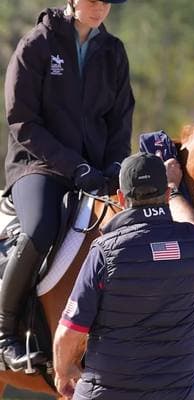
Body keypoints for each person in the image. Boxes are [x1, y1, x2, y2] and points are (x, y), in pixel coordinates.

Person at [1, 0, 134, 371]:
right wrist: (74, 166)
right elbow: (22, 122)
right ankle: (4, 333)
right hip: (38, 167)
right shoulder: (36, 45)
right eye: (92, 0)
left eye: (106, 2)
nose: (100, 8)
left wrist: (113, 166)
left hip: (95, 172)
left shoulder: (114, 53)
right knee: (40, 228)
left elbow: (120, 121)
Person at [53, 152, 194, 400]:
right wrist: (174, 188)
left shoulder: (105, 251)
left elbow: (69, 332)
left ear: (121, 198)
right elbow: (190, 221)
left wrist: (62, 370)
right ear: (166, 196)